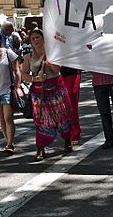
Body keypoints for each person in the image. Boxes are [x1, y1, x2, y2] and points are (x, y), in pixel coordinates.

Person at [20, 29, 73, 161]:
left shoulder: (52, 53)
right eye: (33, 39)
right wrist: (35, 79)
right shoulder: (28, 57)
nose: (35, 40)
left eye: (38, 37)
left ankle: (67, 140)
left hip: (56, 89)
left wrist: (50, 60)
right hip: (39, 93)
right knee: (41, 121)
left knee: (61, 117)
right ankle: (40, 148)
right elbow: (24, 75)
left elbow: (56, 69)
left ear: (44, 39)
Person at [60, 66, 82, 146]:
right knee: (62, 108)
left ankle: (74, 134)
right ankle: (66, 134)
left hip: (73, 73)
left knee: (72, 106)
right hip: (58, 74)